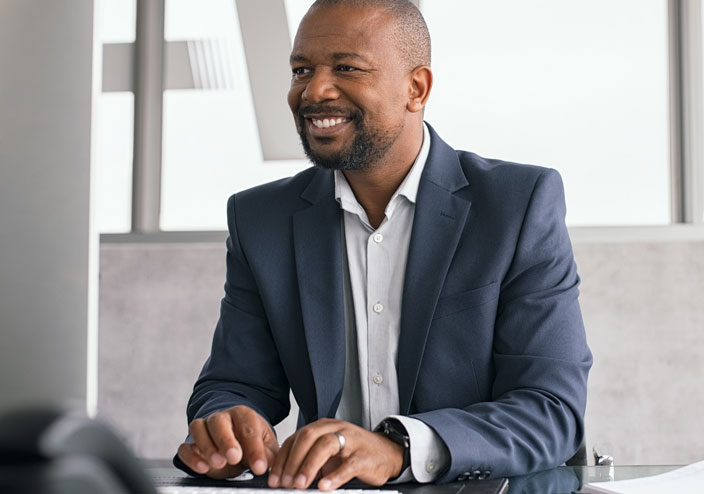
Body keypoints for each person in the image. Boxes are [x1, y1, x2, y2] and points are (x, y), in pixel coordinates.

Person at [174, 0, 591, 490]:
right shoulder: (261, 219)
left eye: (346, 68)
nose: (314, 90)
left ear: (416, 89)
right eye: (301, 70)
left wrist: (400, 448)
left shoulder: (517, 206)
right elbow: (234, 381)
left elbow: (551, 409)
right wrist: (226, 429)